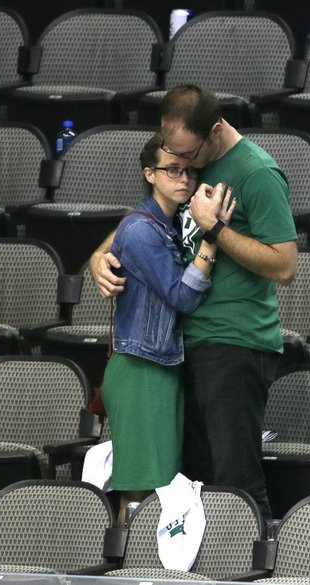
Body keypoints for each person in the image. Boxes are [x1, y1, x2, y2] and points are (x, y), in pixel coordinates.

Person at [91, 85, 298, 520]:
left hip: (234, 342)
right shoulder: (187, 166)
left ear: (216, 131)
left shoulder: (256, 172)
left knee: (235, 482)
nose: (182, 168)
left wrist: (216, 232)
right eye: (172, 156)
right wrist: (100, 254)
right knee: (187, 489)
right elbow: (145, 217)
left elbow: (284, 265)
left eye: (188, 155)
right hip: (181, 346)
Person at [103, 133, 235, 526]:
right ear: (150, 174)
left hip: (157, 366)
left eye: (189, 171)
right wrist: (212, 239)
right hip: (140, 369)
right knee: (141, 488)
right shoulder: (142, 230)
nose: (184, 179)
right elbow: (181, 296)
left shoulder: (168, 224)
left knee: (158, 486)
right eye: (172, 170)